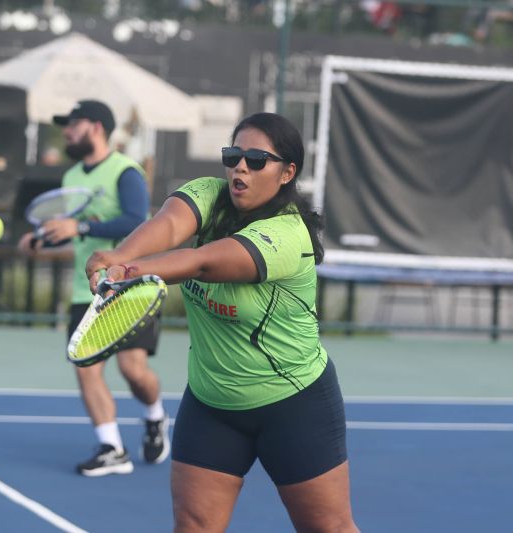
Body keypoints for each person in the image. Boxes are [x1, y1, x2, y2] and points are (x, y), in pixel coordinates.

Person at [86, 112, 361, 532]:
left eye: (256, 159)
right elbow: (169, 224)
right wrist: (116, 258)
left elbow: (204, 263)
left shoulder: (289, 236)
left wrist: (133, 270)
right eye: (233, 155)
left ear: (288, 172)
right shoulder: (208, 194)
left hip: (292, 403)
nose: (241, 168)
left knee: (328, 529)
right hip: (212, 404)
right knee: (193, 526)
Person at [18, 100, 169, 477]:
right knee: (86, 369)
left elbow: (137, 221)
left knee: (133, 371)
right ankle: (112, 447)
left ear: (96, 127)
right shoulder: (71, 178)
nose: (67, 131)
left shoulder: (125, 171)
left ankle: (155, 416)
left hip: (129, 286)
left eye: (73, 124)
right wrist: (40, 240)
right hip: (85, 291)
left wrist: (80, 229)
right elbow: (71, 226)